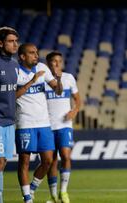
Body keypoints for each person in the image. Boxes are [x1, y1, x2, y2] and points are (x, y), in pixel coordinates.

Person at [15, 43, 63, 203]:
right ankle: (27, 198)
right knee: (24, 161)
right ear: (22, 56)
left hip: (44, 123)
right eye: (32, 53)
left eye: (36, 52)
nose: (36, 55)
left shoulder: (42, 67)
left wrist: (58, 79)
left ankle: (33, 189)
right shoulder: (15, 71)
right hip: (25, 122)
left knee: (48, 160)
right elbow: (12, 96)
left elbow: (58, 90)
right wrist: (32, 80)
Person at [45, 51, 81, 203]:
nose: (58, 63)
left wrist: (74, 111)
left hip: (65, 125)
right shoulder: (43, 79)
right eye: (54, 61)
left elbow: (78, 100)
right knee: (51, 160)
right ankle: (53, 196)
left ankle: (63, 192)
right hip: (47, 125)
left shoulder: (68, 78)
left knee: (66, 156)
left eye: (60, 60)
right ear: (48, 64)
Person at [0, 26, 19, 203]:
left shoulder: (14, 65)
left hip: (10, 122)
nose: (15, 44)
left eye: (16, 41)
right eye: (11, 41)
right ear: (0, 43)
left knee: (3, 162)